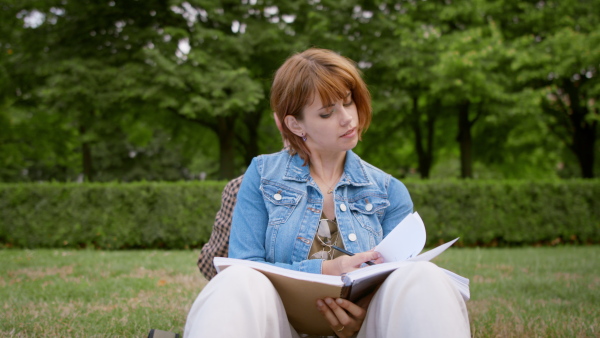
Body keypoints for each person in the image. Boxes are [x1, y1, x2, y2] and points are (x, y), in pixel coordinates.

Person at [184, 48, 470, 337]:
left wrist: (363, 312)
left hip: (365, 328)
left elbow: (396, 285)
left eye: (348, 102)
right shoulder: (260, 177)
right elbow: (241, 265)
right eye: (327, 112)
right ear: (294, 124)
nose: (348, 118)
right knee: (238, 279)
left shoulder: (389, 191)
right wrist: (325, 270)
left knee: (422, 276)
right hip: (282, 326)